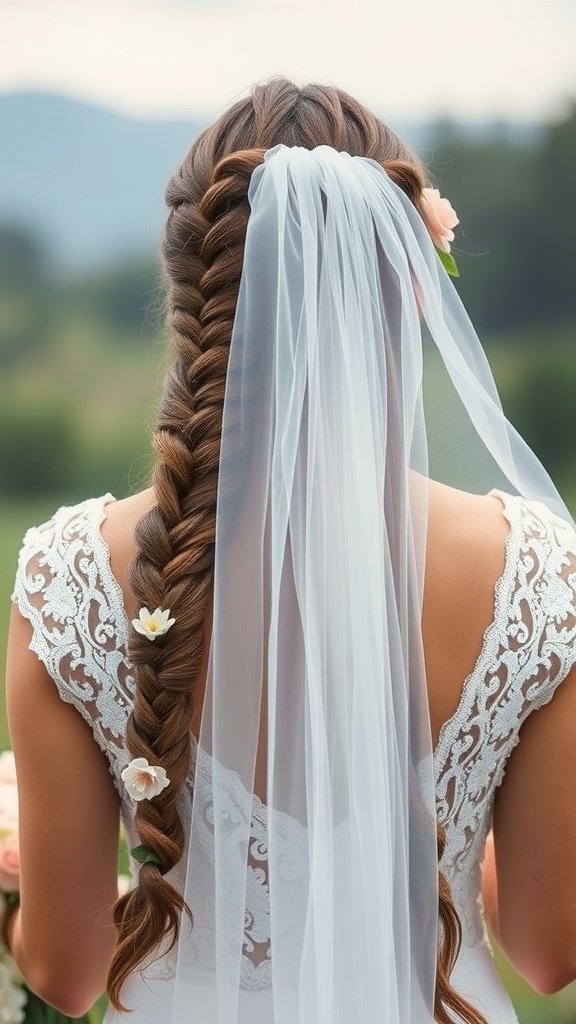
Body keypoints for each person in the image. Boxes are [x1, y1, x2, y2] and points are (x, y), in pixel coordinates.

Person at [3, 78, 576, 1024]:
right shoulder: (538, 580)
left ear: (194, 295)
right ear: (409, 282)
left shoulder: (70, 577)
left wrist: (17, 890)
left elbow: (67, 973)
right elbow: (549, 951)